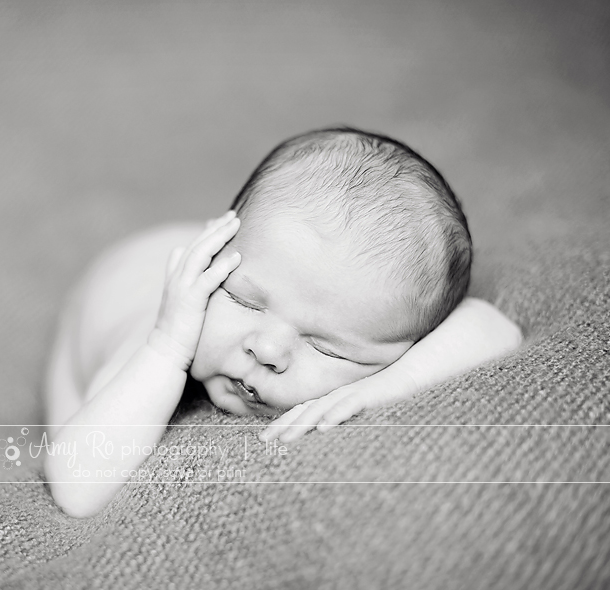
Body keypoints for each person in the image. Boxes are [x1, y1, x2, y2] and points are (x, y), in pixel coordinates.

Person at [44, 127, 522, 518]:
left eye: (330, 349)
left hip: (263, 259)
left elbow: (493, 328)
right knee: (71, 430)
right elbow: (76, 487)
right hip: (108, 291)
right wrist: (167, 347)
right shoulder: (159, 329)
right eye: (244, 302)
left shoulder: (347, 302)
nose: (269, 350)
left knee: (284, 265)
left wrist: (390, 384)